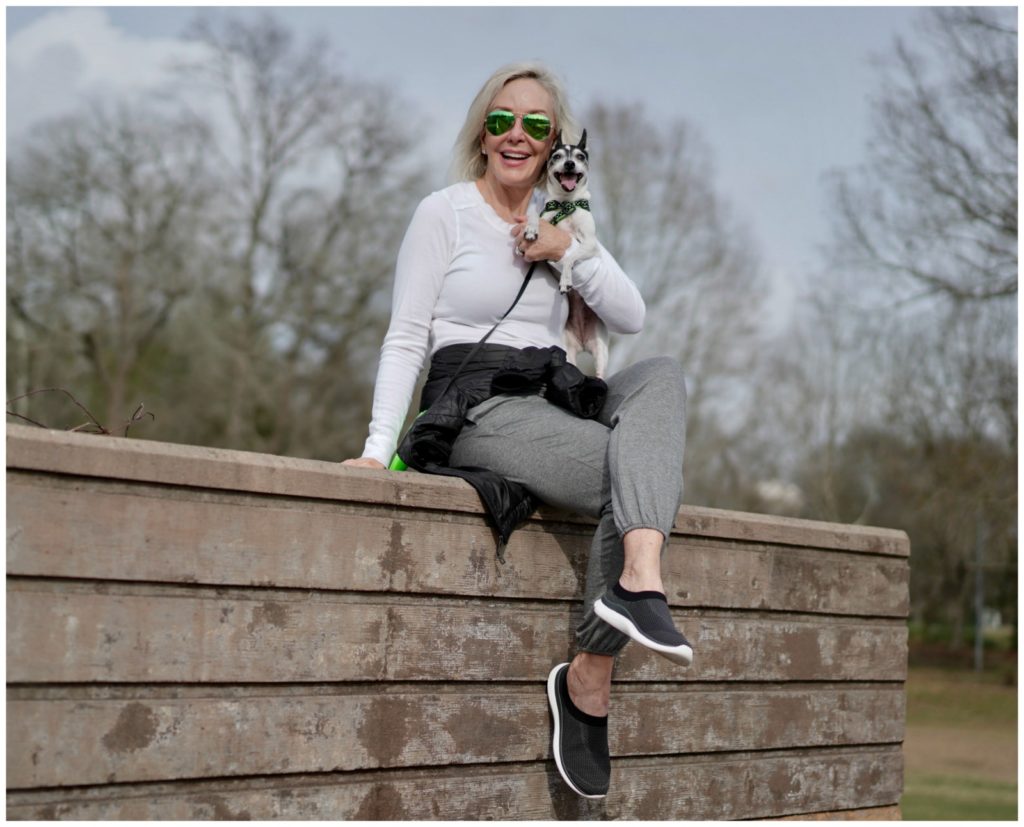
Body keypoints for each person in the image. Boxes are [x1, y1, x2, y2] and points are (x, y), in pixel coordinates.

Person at [342, 62, 691, 800]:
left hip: (556, 394)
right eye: (502, 119)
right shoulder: (444, 213)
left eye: (536, 125)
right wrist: (378, 450)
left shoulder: (565, 218)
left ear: (555, 140)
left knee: (659, 376)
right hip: (478, 404)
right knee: (627, 473)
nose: (517, 136)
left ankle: (623, 609)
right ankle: (593, 680)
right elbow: (406, 336)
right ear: (482, 129)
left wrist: (568, 254)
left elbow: (630, 315)